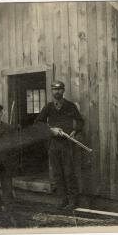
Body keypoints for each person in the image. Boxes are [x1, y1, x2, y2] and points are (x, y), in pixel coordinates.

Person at [35, 80, 84, 210]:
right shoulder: (48, 107)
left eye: (59, 89)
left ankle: (73, 201)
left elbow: (80, 122)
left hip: (67, 143)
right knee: (57, 173)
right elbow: (38, 123)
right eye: (54, 89)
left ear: (63, 90)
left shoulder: (70, 106)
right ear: (52, 91)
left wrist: (74, 131)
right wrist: (51, 130)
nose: (57, 92)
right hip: (53, 144)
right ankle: (62, 200)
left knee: (69, 172)